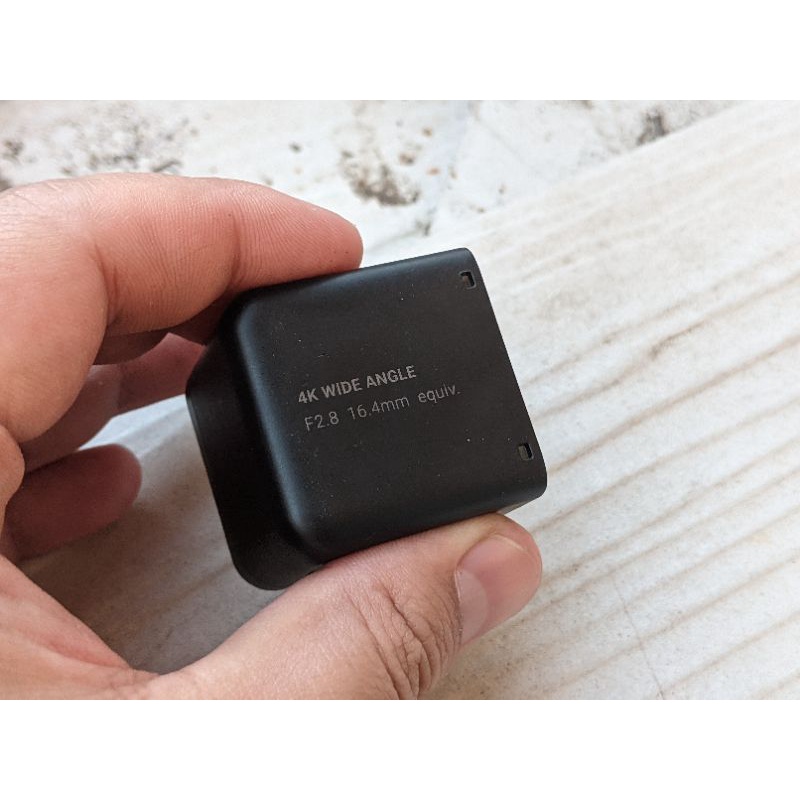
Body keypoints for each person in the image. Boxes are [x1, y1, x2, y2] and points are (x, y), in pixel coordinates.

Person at [0, 174, 541, 699]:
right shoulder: (257, 338)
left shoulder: (261, 332)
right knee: (296, 489)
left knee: (298, 495)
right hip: (284, 459)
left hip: (295, 467)